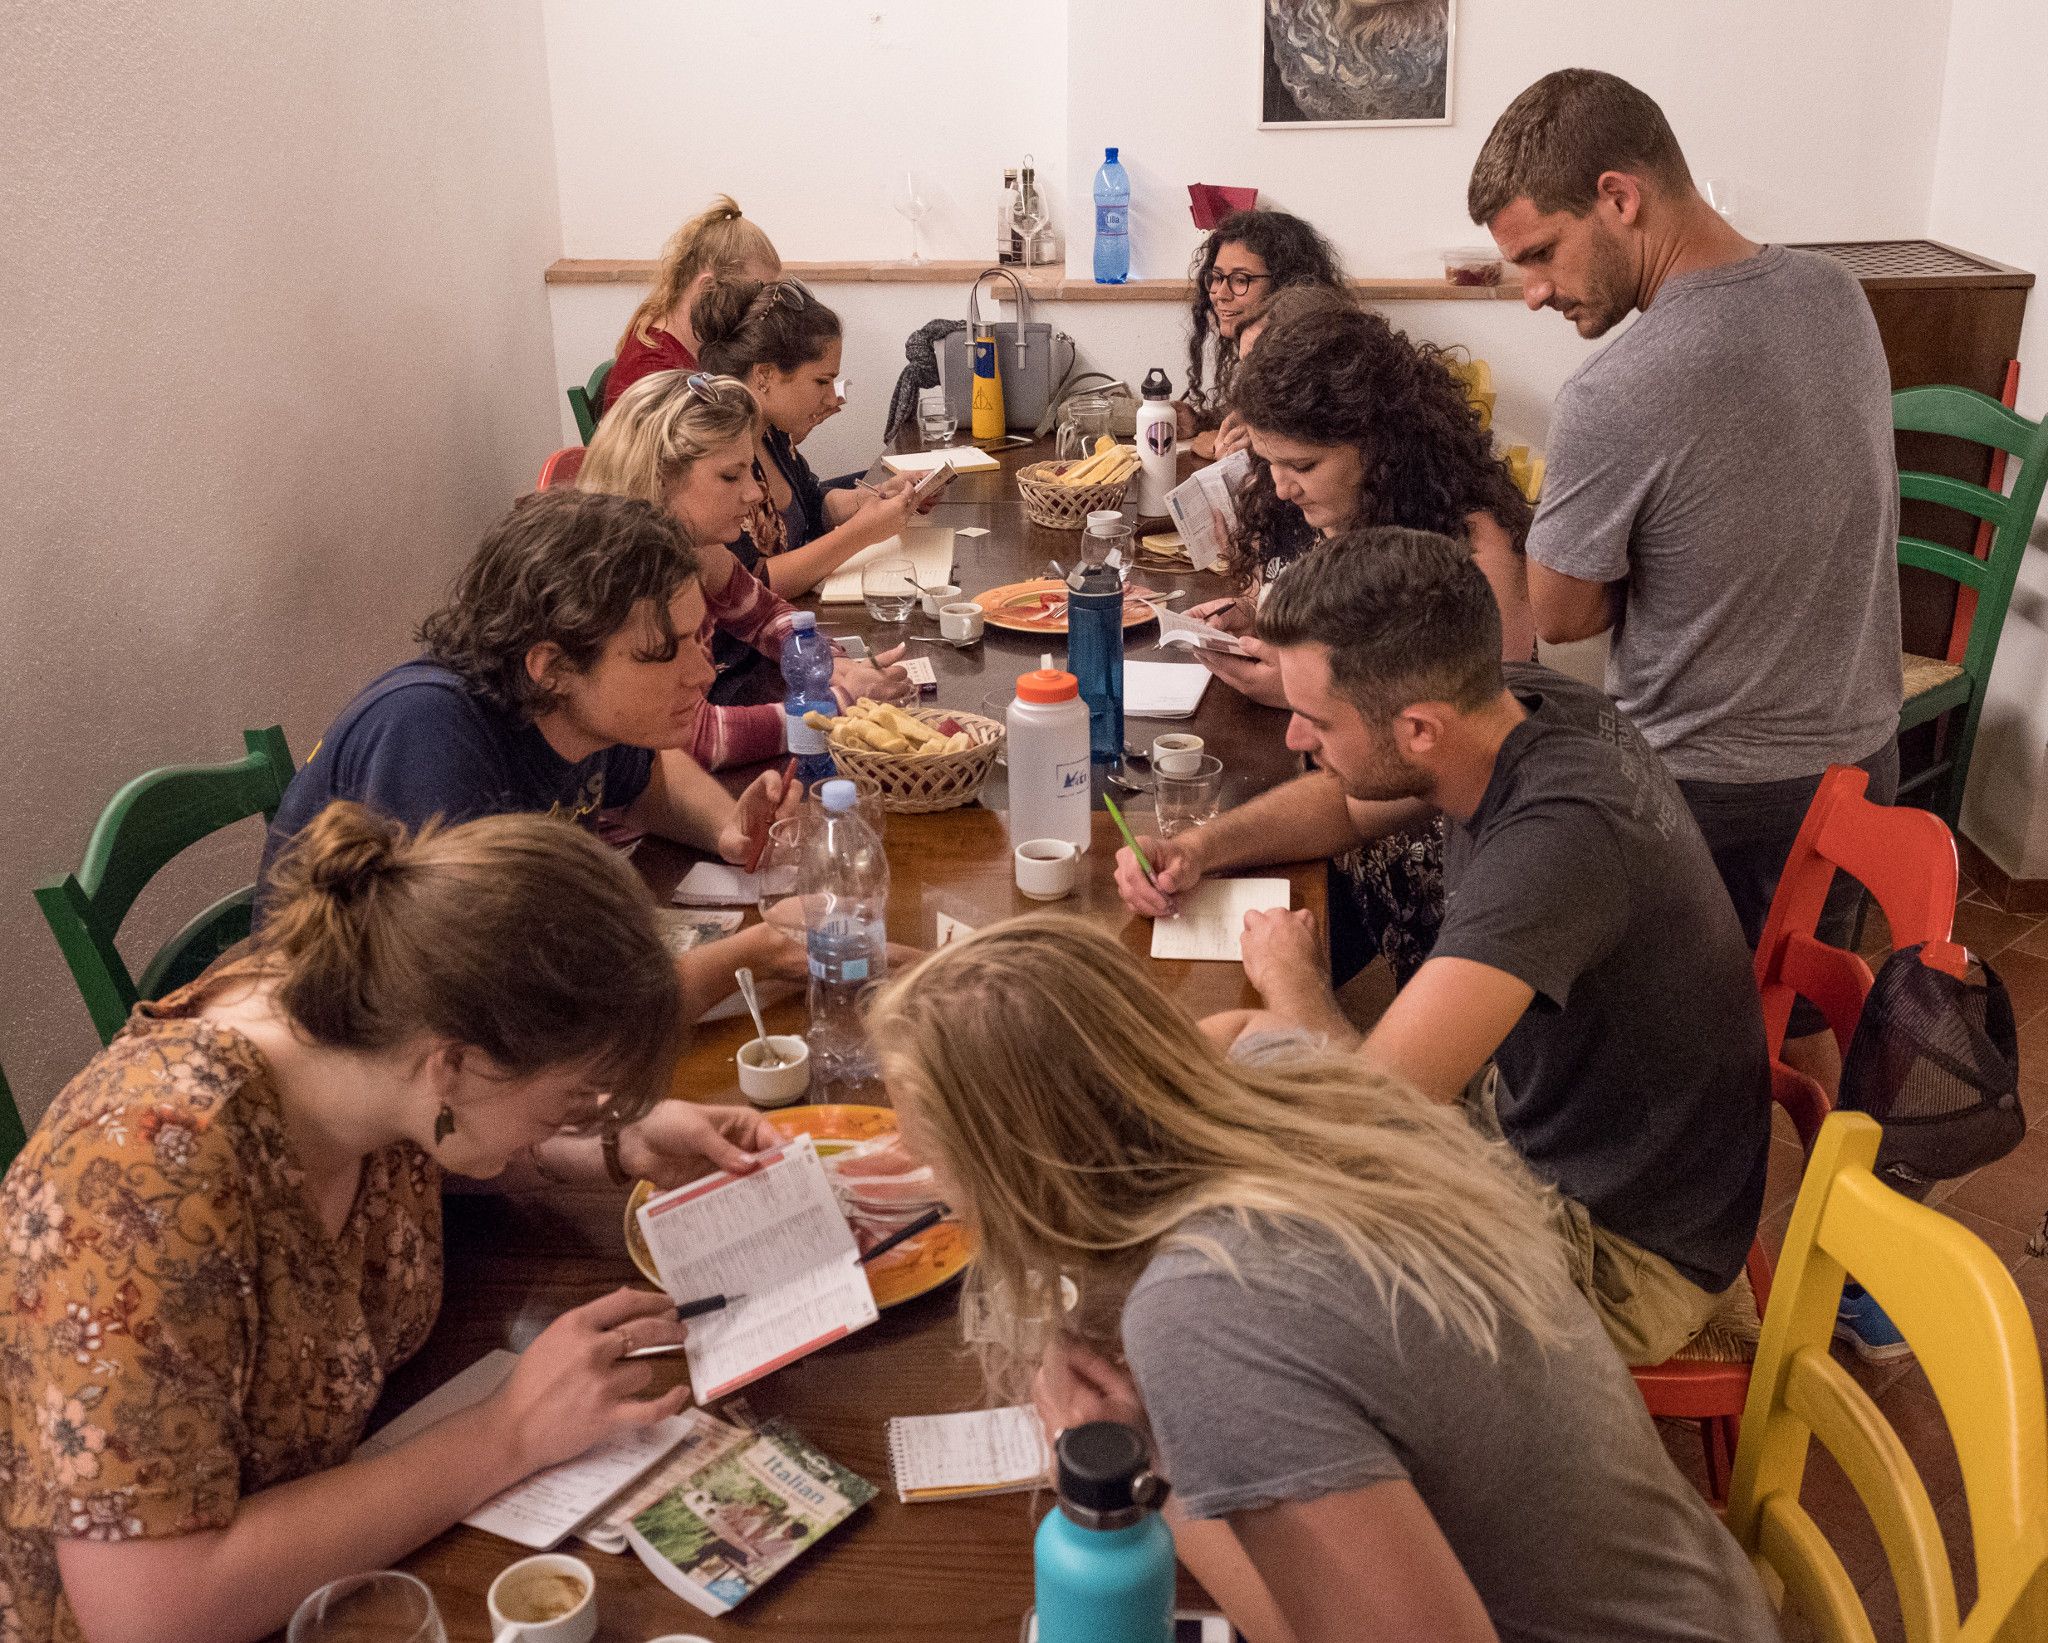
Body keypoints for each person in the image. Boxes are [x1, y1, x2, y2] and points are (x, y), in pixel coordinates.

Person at [870, 916, 1781, 1643]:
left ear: (1021, 1184)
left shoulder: (1200, 1314)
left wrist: (1140, 1470)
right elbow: (1249, 1027)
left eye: (938, 1164)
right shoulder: (1299, 1084)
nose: (935, 1187)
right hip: (1700, 1598)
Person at [0, 802, 782, 1643]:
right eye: (573, 1099)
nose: (585, 1115)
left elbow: (441, 1140)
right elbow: (150, 1615)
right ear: (454, 1064)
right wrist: (509, 1433)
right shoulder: (145, 1182)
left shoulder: (371, 1036)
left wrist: (621, 1142)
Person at [1115, 529, 1773, 1368]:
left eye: (1317, 720)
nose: (1294, 740)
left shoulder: (1556, 846)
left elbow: (1374, 1115)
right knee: (1239, 1083)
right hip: (1552, 1133)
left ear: (1419, 729)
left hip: (1621, 1249)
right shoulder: (1512, 706)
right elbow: (1345, 807)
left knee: (1251, 1268)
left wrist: (1297, 980)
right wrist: (1202, 847)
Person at [1466, 74, 1902, 1070]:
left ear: (1619, 197)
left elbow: (1559, 613)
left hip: (1713, 789)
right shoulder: (1835, 293)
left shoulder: (1616, 387)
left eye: (1540, 253)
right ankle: (1825, 1171)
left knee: (1635, 1064)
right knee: (1796, 1018)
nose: (1532, 291)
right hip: (1860, 761)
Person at [260, 489, 803, 1019]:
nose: (703, 673)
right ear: (552, 667)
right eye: (663, 652)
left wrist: (726, 829)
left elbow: (648, 780)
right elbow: (511, 1008)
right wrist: (747, 958)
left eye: (696, 640)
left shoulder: (581, 712)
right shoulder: (429, 736)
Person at [1186, 287, 1537, 986]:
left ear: (1378, 446)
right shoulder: (1342, 513)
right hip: (1357, 826)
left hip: (1446, 879)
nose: (1281, 489)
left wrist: (1297, 691)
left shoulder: (1474, 547)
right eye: (1269, 462)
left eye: (1303, 466)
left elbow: (1471, 750)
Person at [579, 369, 913, 768]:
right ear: (658, 477)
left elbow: (764, 613)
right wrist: (838, 704)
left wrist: (827, 666)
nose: (754, 493)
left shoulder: (699, 545)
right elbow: (695, 737)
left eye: (750, 470)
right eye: (729, 475)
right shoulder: (629, 579)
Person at [691, 277, 931, 597]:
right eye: (821, 382)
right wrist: (861, 532)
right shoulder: (716, 454)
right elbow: (748, 584)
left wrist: (872, 498)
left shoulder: (773, 433)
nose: (832, 398)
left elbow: (811, 504)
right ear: (765, 374)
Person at [1177, 208, 1347, 460]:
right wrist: (1201, 421)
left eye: (1240, 279)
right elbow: (1253, 411)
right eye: (1216, 277)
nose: (1220, 294)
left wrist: (1236, 448)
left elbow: (1314, 446)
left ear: (1285, 285)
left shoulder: (1322, 360)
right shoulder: (1271, 350)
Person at [602, 195, 782, 414]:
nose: (761, 311)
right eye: (753, 296)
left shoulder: (696, 346)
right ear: (708, 288)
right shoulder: (656, 373)